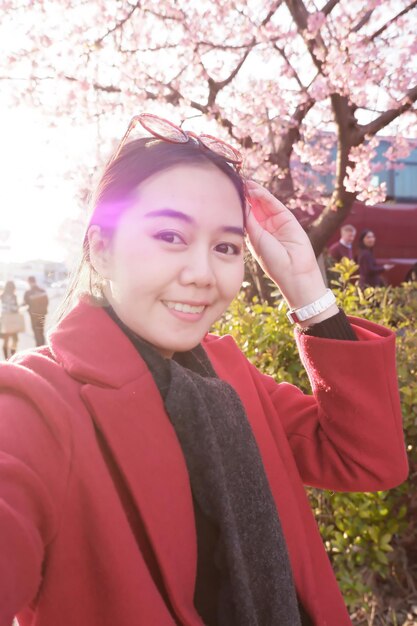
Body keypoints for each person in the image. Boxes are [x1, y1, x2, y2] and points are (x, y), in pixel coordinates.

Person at [0, 113, 408, 626]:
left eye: (226, 248)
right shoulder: (35, 405)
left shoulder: (229, 377)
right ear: (101, 249)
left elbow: (368, 461)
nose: (202, 275)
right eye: (170, 235)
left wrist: (307, 286)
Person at [23, 275, 49, 346]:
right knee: (41, 330)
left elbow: (25, 303)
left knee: (36, 331)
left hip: (33, 315)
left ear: (28, 282)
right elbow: (46, 301)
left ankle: (38, 346)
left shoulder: (28, 292)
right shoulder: (42, 290)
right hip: (42, 314)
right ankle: (42, 346)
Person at [0, 280, 19, 359]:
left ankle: (6, 358)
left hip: (4, 318)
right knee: (15, 339)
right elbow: (14, 308)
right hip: (12, 319)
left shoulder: (2, 296)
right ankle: (12, 356)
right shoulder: (13, 296)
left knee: (6, 339)